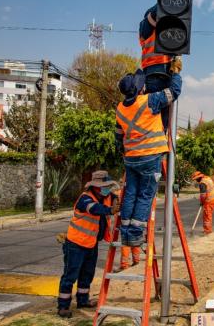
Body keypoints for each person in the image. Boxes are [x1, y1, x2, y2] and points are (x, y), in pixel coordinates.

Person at [115, 59, 182, 247]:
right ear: (139, 89)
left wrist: (124, 152)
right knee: (145, 195)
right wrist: (175, 73)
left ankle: (126, 233)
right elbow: (173, 92)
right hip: (150, 156)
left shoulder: (120, 109)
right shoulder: (148, 101)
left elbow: (118, 136)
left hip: (131, 159)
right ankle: (135, 235)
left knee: (130, 194)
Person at [57, 170, 120, 318]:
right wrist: (110, 209)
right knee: (70, 276)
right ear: (96, 186)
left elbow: (114, 196)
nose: (106, 189)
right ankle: (63, 306)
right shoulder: (85, 199)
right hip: (76, 243)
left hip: (91, 244)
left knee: (87, 275)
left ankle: (83, 301)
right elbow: (94, 209)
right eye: (104, 186)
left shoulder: (104, 196)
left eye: (107, 186)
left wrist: (115, 198)